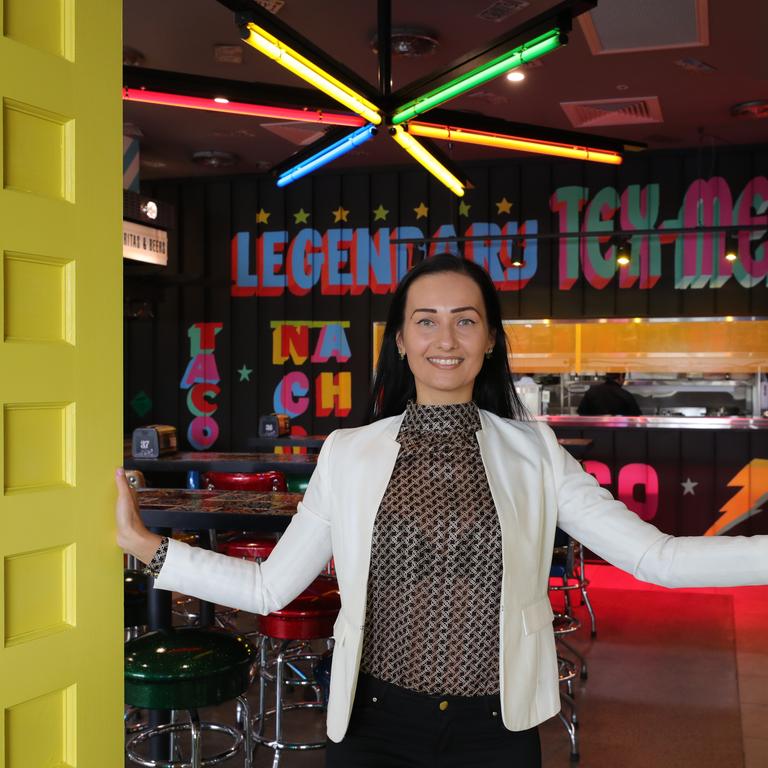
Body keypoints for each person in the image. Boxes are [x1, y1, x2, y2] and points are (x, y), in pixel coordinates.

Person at [116, 254, 768, 768]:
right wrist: (147, 546)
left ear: (489, 338)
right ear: (400, 339)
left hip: (494, 730)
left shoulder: (535, 452)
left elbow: (655, 558)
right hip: (372, 726)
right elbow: (268, 585)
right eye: (425, 319)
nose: (445, 337)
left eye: (465, 318)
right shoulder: (349, 453)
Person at [577, 372, 641, 416]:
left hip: (593, 433)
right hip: (618, 434)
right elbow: (636, 417)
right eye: (623, 378)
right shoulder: (626, 396)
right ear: (620, 377)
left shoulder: (591, 392)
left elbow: (581, 413)